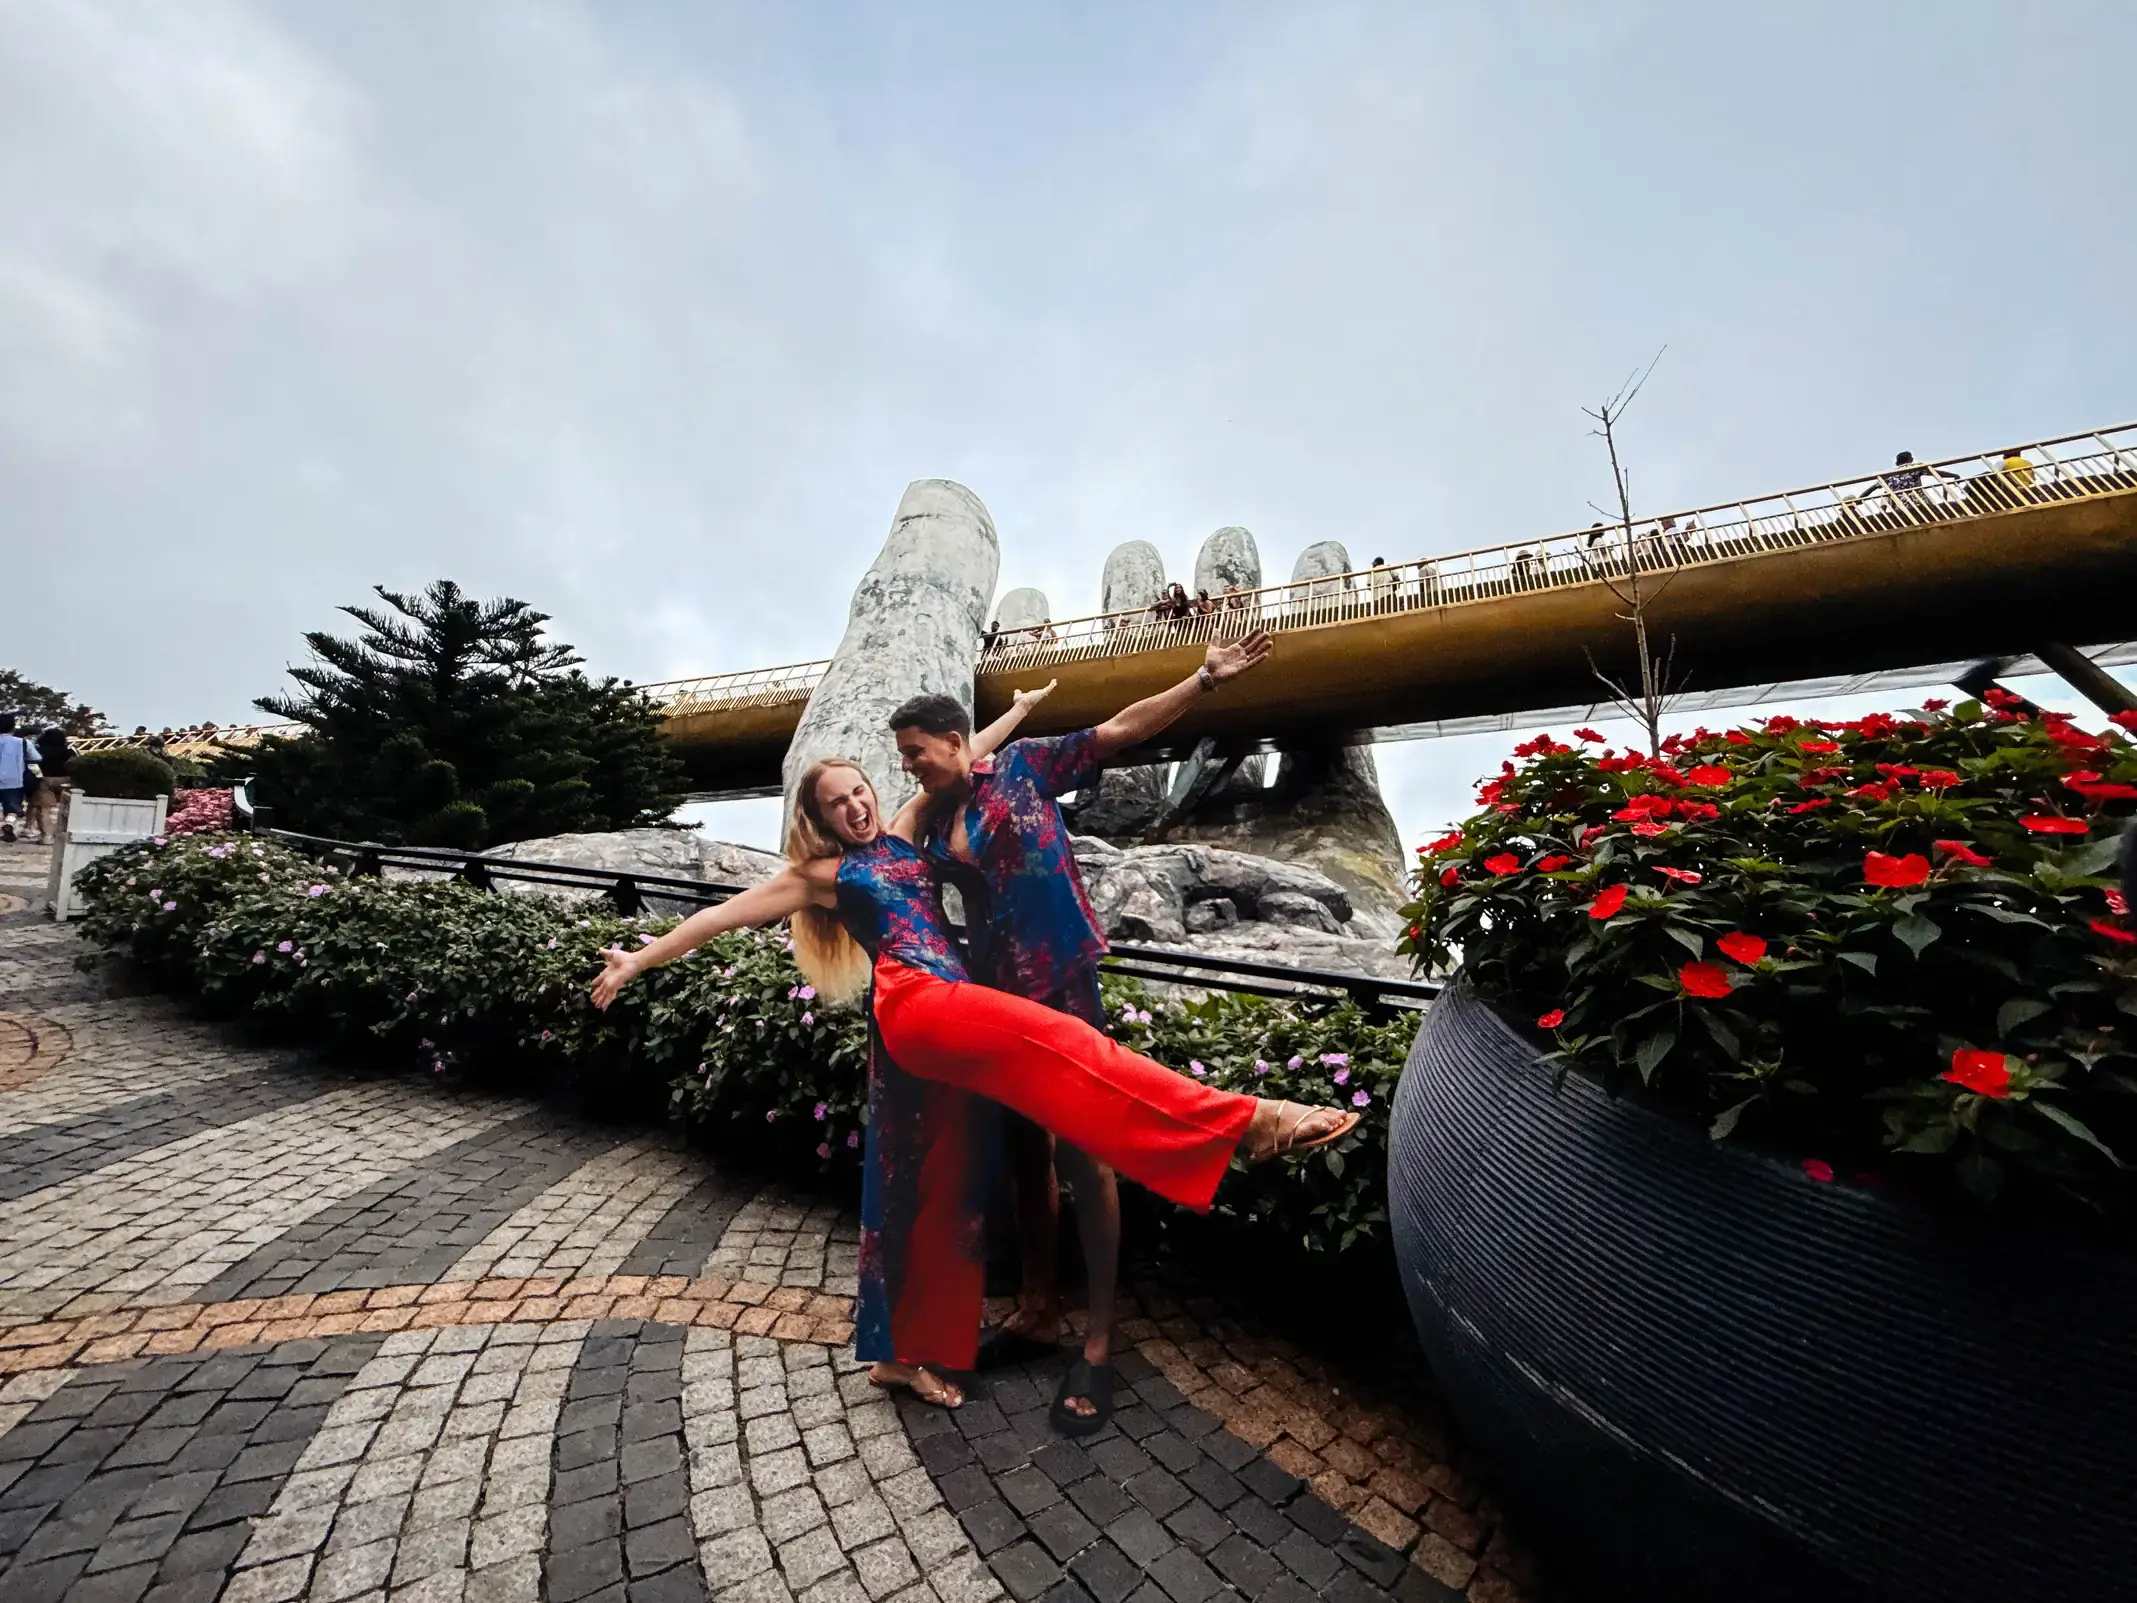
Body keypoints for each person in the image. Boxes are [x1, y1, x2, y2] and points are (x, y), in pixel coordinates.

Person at [590, 722, 1354, 1414]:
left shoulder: (903, 827)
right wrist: (637, 959)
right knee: (1072, 1046)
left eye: (860, 790)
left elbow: (955, 749)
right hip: (918, 1002)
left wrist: (1017, 711)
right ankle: (1244, 1121)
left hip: (933, 1031)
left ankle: (898, 1357)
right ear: (817, 819)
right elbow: (717, 915)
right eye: (838, 802)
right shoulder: (821, 875)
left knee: (935, 1193)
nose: (855, 806)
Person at [892, 627, 1276, 1433]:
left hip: (1064, 986)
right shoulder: (931, 823)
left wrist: (1201, 680)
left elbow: (1124, 730)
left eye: (916, 752)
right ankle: (1037, 1311)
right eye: (905, 757)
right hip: (997, 1006)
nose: (910, 766)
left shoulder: (1027, 764)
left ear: (955, 741)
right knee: (1025, 1159)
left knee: (1085, 1155)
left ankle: (1098, 1340)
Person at [0, 714, 40, 845]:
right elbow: (37, 758)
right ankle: (9, 824)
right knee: (12, 808)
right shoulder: (22, 742)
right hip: (14, 779)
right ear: (13, 727)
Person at [31, 725, 71, 844]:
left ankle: (47, 836)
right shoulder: (68, 752)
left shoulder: (40, 750)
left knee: (44, 809)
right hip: (66, 780)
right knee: (67, 808)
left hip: (46, 780)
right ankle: (63, 834)